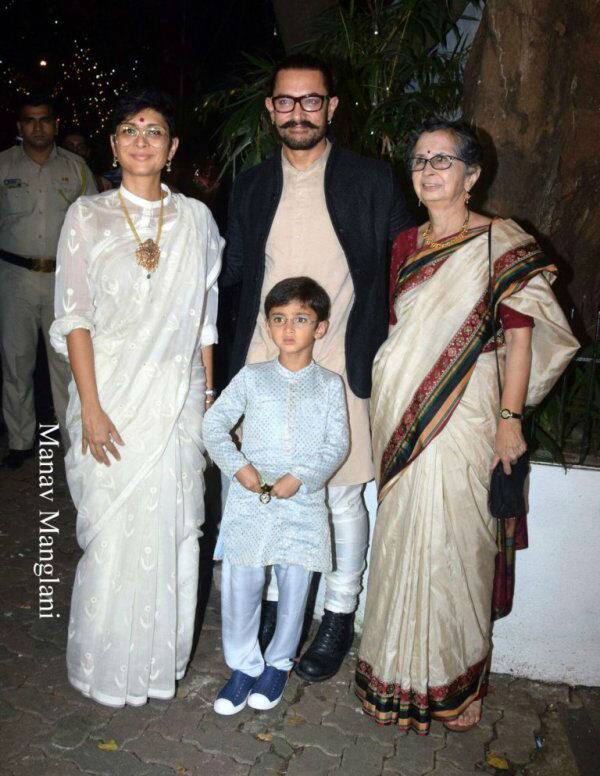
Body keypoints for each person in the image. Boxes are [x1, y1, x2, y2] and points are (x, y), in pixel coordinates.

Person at [355, 118, 579, 734]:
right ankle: (395, 674)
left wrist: (511, 420)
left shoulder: (499, 241)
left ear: (472, 175)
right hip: (402, 413)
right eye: (421, 160)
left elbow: (521, 334)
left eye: (443, 160)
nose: (429, 171)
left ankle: (458, 685)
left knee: (459, 544)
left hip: (471, 409)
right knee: (403, 538)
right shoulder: (404, 243)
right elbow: (403, 331)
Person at [221, 53, 413, 682]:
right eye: (285, 101)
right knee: (262, 492)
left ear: (331, 107)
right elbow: (236, 280)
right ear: (270, 109)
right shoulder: (250, 185)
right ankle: (280, 611)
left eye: (310, 101)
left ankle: (337, 614)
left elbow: (406, 267)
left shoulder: (371, 180)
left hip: (341, 359)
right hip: (262, 363)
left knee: (341, 495)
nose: (297, 112)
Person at [49, 88, 223, 707]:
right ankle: (104, 665)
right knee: (115, 529)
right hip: (112, 396)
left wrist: (204, 407)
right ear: (114, 145)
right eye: (129, 129)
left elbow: (205, 321)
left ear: (172, 148)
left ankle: (157, 664)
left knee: (175, 531)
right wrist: (90, 408)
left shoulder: (197, 220)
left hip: (177, 400)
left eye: (154, 129)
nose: (141, 139)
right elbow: (74, 318)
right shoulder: (87, 216)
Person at [203, 277, 349, 714]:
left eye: (301, 319)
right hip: (251, 500)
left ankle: (279, 663)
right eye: (279, 319)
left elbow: (336, 443)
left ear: (320, 328)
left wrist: (301, 478)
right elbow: (213, 425)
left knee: (294, 586)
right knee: (241, 584)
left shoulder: (328, 385)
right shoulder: (252, 377)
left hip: (301, 504)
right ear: (268, 326)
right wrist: (240, 468)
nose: (289, 329)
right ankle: (244, 665)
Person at [0, 94, 97, 468]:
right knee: (16, 362)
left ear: (55, 124)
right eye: (29, 120)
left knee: (67, 362)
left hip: (63, 280)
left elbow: (94, 225)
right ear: (20, 126)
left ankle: (74, 440)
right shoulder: (3, 165)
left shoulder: (76, 168)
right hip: (14, 277)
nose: (37, 127)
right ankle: (22, 441)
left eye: (44, 119)